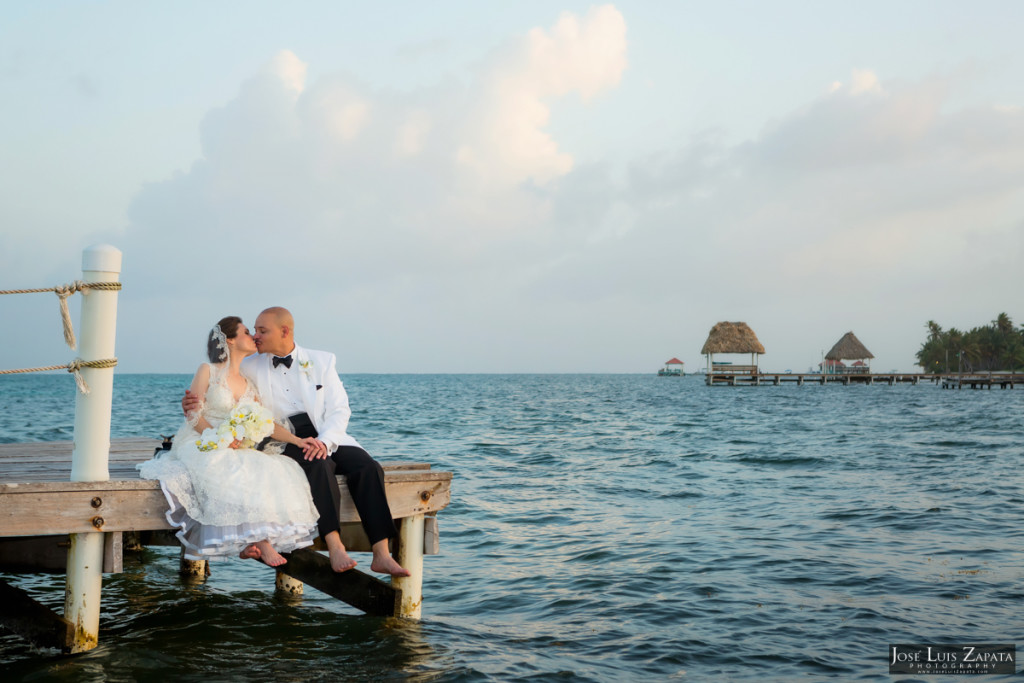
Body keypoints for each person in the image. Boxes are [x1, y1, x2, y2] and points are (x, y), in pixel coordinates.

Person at [183, 307, 410, 577]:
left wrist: (325, 441)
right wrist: (190, 404)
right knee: (319, 465)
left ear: (285, 331)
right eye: (252, 330)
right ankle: (334, 545)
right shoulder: (250, 363)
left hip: (326, 431)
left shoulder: (322, 361)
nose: (255, 336)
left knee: (368, 467)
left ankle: (381, 553)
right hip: (285, 435)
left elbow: (340, 410)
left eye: (261, 331)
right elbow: (220, 379)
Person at [140, 316, 321, 567]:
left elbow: (266, 423)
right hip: (202, 438)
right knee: (223, 465)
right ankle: (262, 543)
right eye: (247, 332)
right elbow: (193, 414)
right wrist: (218, 438)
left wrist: (297, 440)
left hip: (234, 444)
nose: (253, 337)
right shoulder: (208, 370)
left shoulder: (249, 382)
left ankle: (250, 543)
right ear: (230, 340)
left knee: (275, 468)